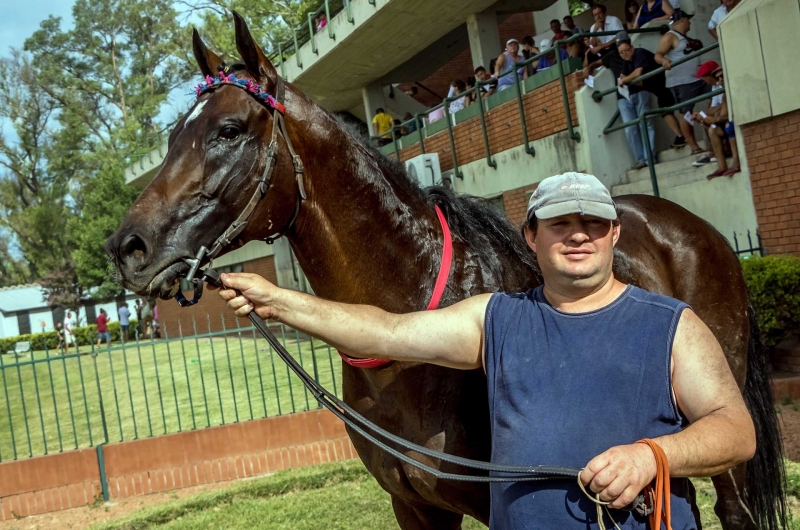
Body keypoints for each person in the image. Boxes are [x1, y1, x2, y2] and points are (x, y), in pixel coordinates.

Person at [217, 172, 755, 530]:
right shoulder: (497, 318)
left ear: (614, 233)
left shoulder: (670, 324)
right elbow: (385, 332)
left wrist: (652, 456)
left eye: (592, 223)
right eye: (560, 224)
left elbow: (735, 430)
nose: (577, 236)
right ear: (531, 236)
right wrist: (279, 301)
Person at [655, 9, 708, 154]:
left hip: (696, 78)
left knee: (716, 91)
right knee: (686, 113)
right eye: (688, 19)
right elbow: (658, 55)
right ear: (683, 20)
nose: (690, 22)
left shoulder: (684, 37)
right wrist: (664, 61)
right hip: (681, 82)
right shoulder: (670, 36)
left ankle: (711, 123)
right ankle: (694, 147)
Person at [695, 68, 740, 179]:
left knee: (729, 126)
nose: (720, 80)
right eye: (718, 78)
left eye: (722, 76)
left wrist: (714, 119)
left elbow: (725, 116)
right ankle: (722, 166)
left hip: (739, 121)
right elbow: (722, 115)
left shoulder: (736, 87)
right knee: (712, 129)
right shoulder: (723, 94)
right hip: (727, 122)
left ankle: (736, 164)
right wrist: (710, 121)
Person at [691, 60, 724, 167]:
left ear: (710, 75)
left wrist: (715, 111)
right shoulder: (714, 87)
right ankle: (710, 153)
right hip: (718, 117)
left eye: (704, 76)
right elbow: (710, 110)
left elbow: (724, 106)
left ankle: (711, 153)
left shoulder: (721, 85)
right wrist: (703, 115)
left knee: (710, 124)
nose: (703, 79)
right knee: (704, 121)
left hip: (724, 119)